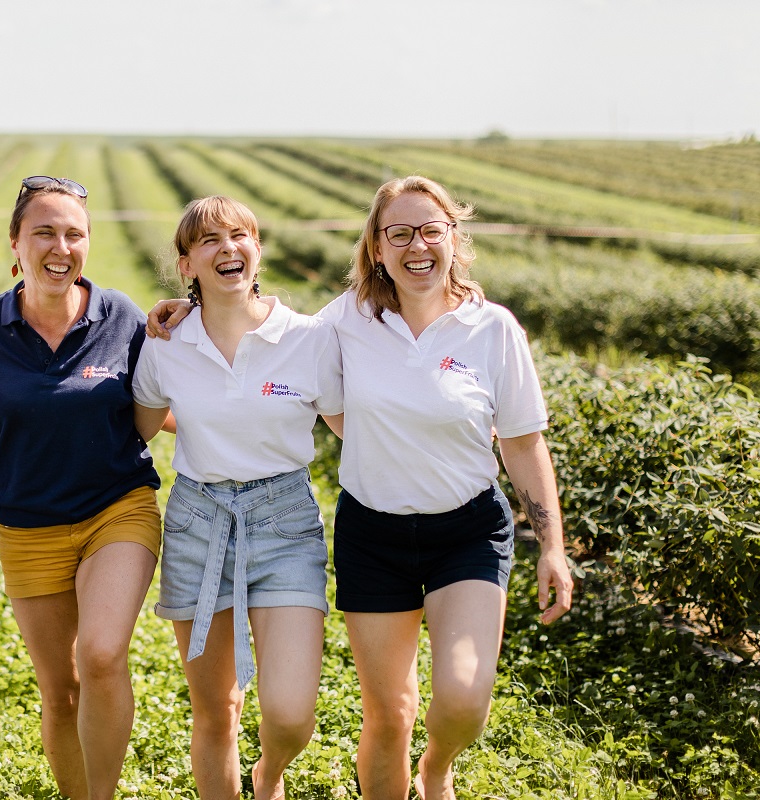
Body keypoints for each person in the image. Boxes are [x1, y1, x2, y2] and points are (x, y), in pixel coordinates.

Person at [147, 176, 573, 800]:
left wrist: (553, 545)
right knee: (390, 714)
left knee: (463, 702)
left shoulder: (492, 329)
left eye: (431, 230)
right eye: (398, 233)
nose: (417, 245)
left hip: (467, 530)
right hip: (373, 533)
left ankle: (437, 769)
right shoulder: (343, 322)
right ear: (376, 247)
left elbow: (523, 442)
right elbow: (258, 332)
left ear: (454, 238)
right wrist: (190, 309)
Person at [0, 176, 162, 800]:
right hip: (28, 525)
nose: (60, 247)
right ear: (15, 242)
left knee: (100, 654)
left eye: (74, 234)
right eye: (44, 232)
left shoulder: (121, 317)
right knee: (60, 689)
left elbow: (162, 399)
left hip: (117, 508)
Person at [132, 196, 344, 800]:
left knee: (291, 713)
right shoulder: (166, 343)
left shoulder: (307, 338)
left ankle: (268, 773)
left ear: (257, 250)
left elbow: (353, 428)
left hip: (285, 522)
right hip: (198, 521)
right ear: (187, 265)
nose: (227, 248)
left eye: (239, 235)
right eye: (209, 241)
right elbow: (138, 426)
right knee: (216, 710)